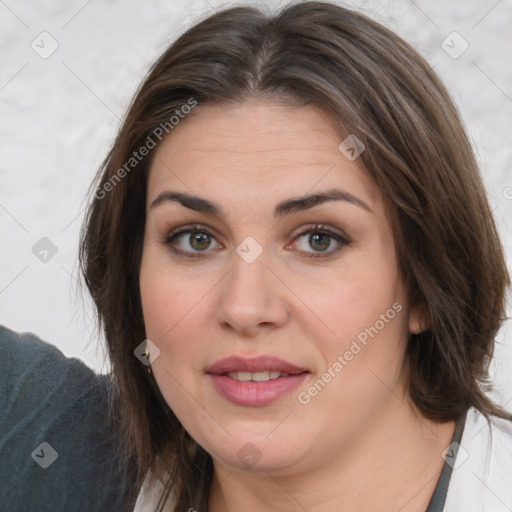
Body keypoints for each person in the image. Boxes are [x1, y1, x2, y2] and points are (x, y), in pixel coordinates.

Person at [3, 1, 511, 511]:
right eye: (195, 239)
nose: (245, 308)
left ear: (424, 284)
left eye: (319, 240)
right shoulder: (60, 454)